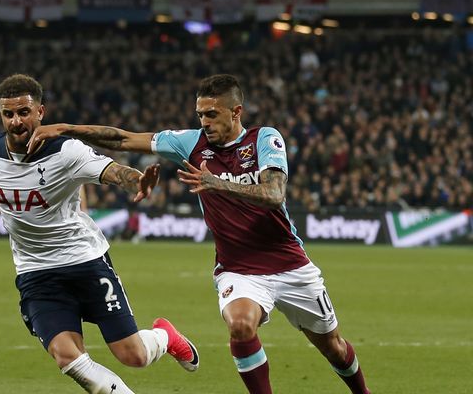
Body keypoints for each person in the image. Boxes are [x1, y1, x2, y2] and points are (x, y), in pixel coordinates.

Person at [27, 74, 371, 394]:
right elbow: (123, 138)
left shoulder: (264, 139)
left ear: (236, 112)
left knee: (334, 348)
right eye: (200, 114)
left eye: (211, 114)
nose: (204, 122)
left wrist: (214, 182)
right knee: (240, 325)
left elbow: (273, 195)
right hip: (238, 269)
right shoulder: (189, 143)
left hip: (290, 265)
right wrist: (68, 129)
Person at [0, 74, 199, 394]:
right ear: (0, 114)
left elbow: (113, 171)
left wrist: (136, 181)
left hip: (83, 260)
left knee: (133, 355)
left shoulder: (66, 151)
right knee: (67, 357)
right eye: (8, 114)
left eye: (24, 112)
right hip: (35, 272)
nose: (16, 121)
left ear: (40, 112)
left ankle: (164, 336)